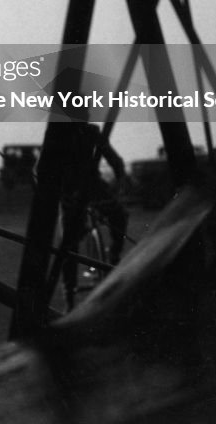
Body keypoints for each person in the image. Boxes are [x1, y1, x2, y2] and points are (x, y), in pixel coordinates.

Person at [58, 122, 128, 310]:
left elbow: (115, 160)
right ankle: (69, 296)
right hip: (69, 192)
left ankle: (114, 257)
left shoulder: (92, 132)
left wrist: (119, 183)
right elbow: (39, 171)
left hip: (93, 186)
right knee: (68, 244)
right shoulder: (57, 134)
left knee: (119, 214)